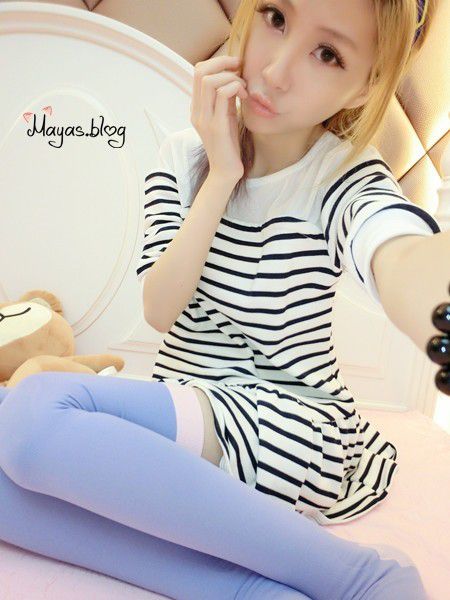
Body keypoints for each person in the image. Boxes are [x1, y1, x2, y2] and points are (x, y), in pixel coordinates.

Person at [0, 1, 438, 598]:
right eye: (276, 17)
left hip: (291, 427)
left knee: (32, 413)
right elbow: (161, 309)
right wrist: (222, 173)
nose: (276, 71)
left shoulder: (345, 179)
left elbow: (395, 247)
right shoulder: (182, 155)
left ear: (364, 88)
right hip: (189, 403)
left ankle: (357, 577)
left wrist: (429, 286)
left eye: (327, 54)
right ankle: (254, 592)